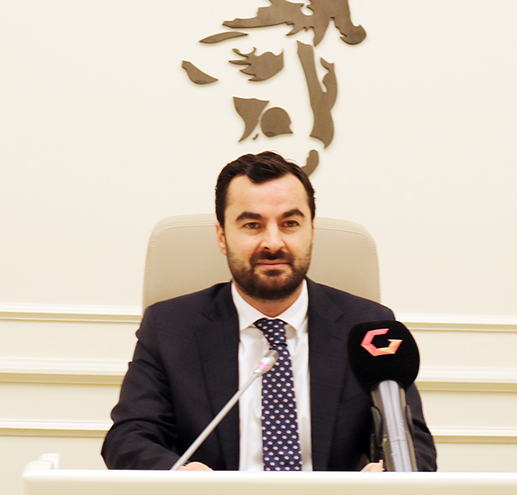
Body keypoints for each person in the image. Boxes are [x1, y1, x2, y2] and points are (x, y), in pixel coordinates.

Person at [104, 151, 436, 472]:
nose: (273, 243)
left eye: (290, 223)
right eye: (252, 225)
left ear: (311, 232)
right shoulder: (170, 328)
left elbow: (415, 448)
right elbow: (128, 439)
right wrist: (181, 476)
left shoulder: (368, 328)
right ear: (222, 237)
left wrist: (389, 474)